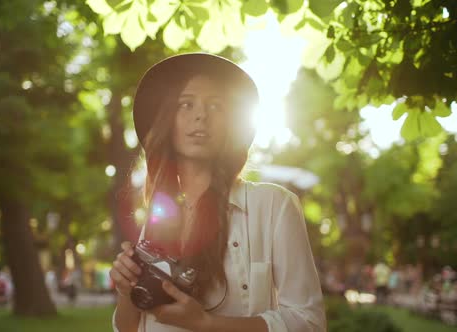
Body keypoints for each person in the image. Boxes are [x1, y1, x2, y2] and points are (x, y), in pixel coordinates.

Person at [109, 53, 326, 332]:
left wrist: (206, 324)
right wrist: (126, 290)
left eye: (216, 106)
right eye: (186, 104)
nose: (201, 115)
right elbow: (130, 329)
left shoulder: (273, 205)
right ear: (168, 122)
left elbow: (309, 322)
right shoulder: (157, 219)